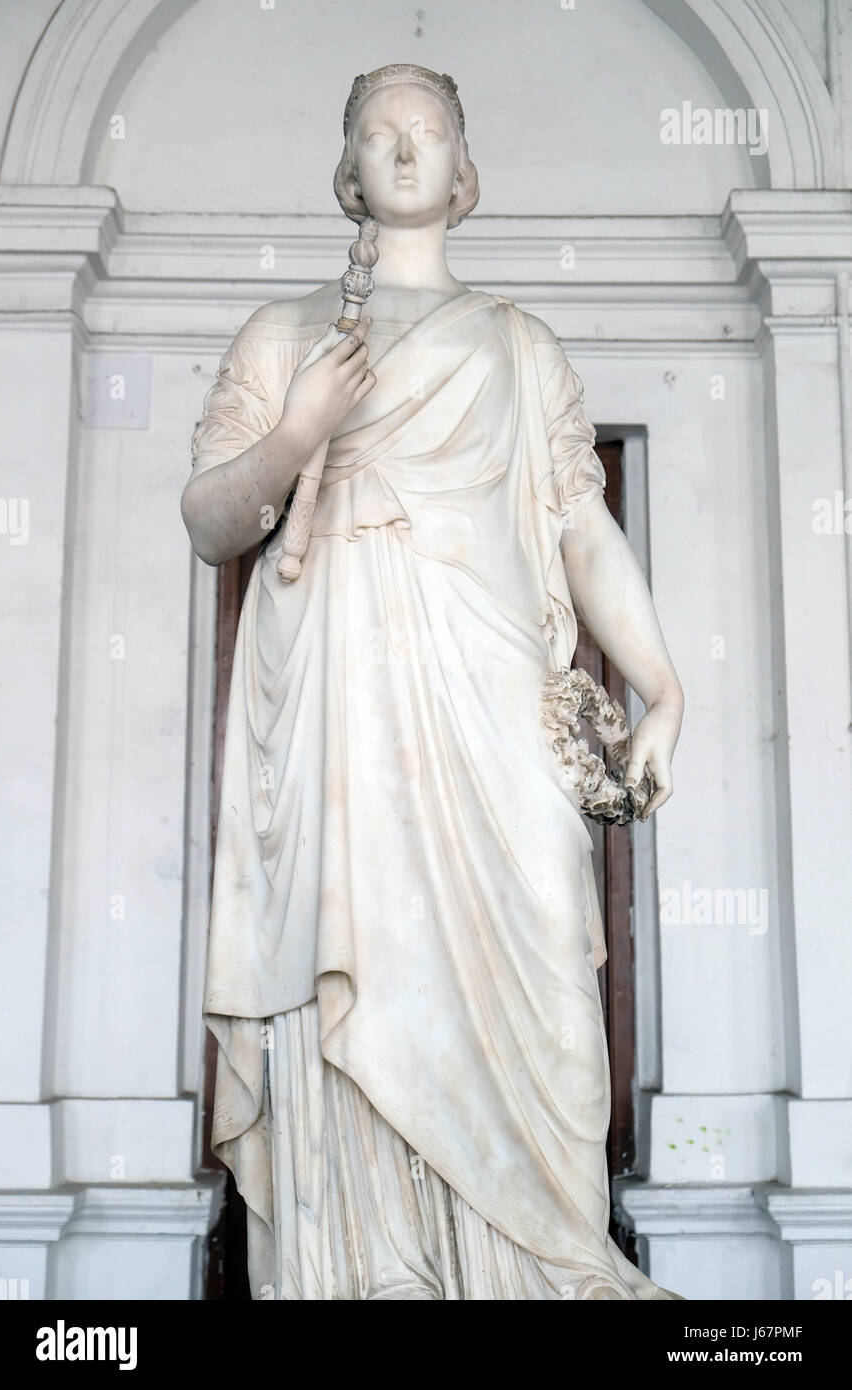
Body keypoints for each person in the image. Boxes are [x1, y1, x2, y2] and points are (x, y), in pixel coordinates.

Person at [181, 64, 685, 1301]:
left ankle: (541, 1271)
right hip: (337, 727)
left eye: (428, 132)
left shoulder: (521, 347)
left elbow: (580, 528)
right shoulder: (284, 336)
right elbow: (208, 519)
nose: (403, 148)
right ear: (346, 169)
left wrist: (661, 686)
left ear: (464, 172)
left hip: (493, 713)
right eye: (376, 132)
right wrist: (296, 434)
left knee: (553, 1002)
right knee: (352, 966)